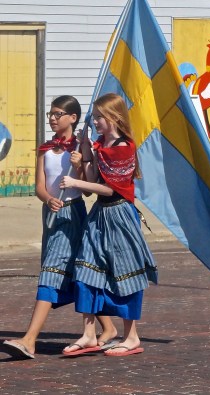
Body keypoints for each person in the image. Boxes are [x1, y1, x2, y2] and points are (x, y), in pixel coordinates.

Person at [3, 95, 117, 359]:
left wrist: (79, 165)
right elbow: (40, 186)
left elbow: (87, 189)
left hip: (73, 214)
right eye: (50, 115)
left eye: (58, 114)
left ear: (73, 118)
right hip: (51, 214)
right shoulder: (46, 149)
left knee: (51, 271)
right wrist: (48, 199)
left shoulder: (81, 147)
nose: (52, 119)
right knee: (76, 271)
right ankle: (108, 328)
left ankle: (29, 340)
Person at [60, 93, 158, 357]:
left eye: (99, 117)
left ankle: (132, 336)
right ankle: (89, 334)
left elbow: (108, 189)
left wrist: (75, 183)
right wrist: (86, 154)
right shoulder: (102, 143)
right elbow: (93, 183)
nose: (95, 121)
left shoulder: (125, 147)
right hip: (99, 215)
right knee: (85, 268)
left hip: (120, 215)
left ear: (114, 117)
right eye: (94, 117)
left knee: (125, 274)